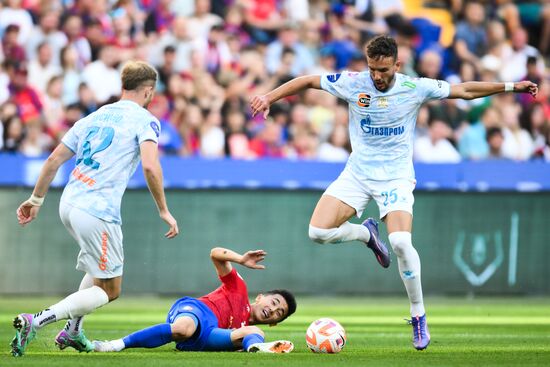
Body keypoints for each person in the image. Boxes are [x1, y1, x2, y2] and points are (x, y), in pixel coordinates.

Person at [250, 35, 538, 351]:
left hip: (396, 178)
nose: (377, 76)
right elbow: (307, 81)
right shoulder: (352, 82)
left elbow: (465, 90)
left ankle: (418, 316)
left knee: (401, 241)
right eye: (373, 69)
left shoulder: (415, 87)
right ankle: (366, 235)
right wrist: (269, 97)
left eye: (383, 70)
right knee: (317, 231)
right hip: (358, 174)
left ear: (397, 65)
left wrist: (511, 86)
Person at [11, 60, 179, 357]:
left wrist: (35, 200)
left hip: (69, 203)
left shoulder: (94, 116)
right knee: (110, 290)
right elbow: (151, 166)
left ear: (123, 85)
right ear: (149, 91)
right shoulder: (145, 120)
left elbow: (52, 160)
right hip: (98, 210)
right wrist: (164, 210)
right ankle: (35, 321)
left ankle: (73, 331)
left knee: (97, 269)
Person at [93, 247, 296, 353]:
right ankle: (115, 344)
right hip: (198, 312)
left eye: (280, 313)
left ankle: (255, 349)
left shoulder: (244, 331)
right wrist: (240, 259)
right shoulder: (239, 289)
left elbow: (239, 334)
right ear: (260, 297)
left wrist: (245, 342)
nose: (273, 309)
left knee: (253, 332)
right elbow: (216, 254)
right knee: (184, 329)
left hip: (210, 336)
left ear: (275, 323)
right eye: (274, 302)